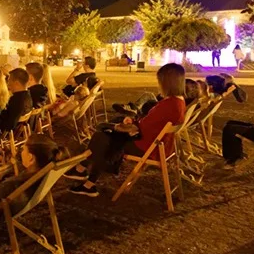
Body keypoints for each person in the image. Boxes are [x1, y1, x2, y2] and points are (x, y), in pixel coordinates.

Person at [66, 63, 188, 197]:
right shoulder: (179, 102)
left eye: (160, 81)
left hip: (147, 147)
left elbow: (138, 128)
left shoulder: (168, 105)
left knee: (102, 137)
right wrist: (130, 122)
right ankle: (85, 176)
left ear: (167, 82)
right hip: (160, 145)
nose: (159, 85)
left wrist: (119, 127)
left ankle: (86, 178)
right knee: (108, 132)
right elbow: (148, 124)